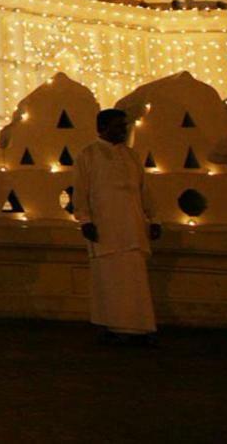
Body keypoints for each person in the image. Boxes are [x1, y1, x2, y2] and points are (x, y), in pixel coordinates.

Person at [73, 108, 162, 345]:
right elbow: (81, 192)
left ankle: (139, 329)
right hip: (106, 228)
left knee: (135, 279)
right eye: (118, 126)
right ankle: (113, 327)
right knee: (109, 279)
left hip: (132, 227)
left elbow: (144, 191)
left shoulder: (132, 156)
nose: (123, 130)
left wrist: (153, 219)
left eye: (124, 126)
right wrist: (86, 220)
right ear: (102, 129)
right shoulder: (88, 155)